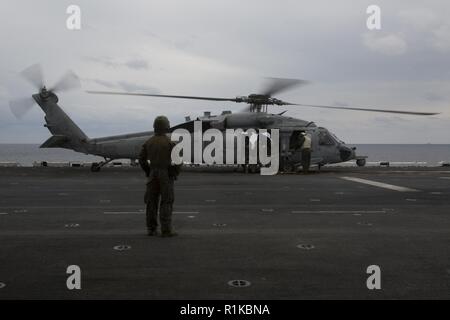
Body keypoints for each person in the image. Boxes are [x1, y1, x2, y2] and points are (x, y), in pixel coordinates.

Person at [139, 116, 180, 237]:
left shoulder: (148, 142)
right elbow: (178, 161)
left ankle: (151, 229)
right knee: (166, 201)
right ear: (165, 126)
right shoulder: (170, 143)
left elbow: (141, 159)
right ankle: (166, 229)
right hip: (165, 175)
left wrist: (148, 171)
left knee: (151, 202)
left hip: (153, 174)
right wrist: (173, 173)